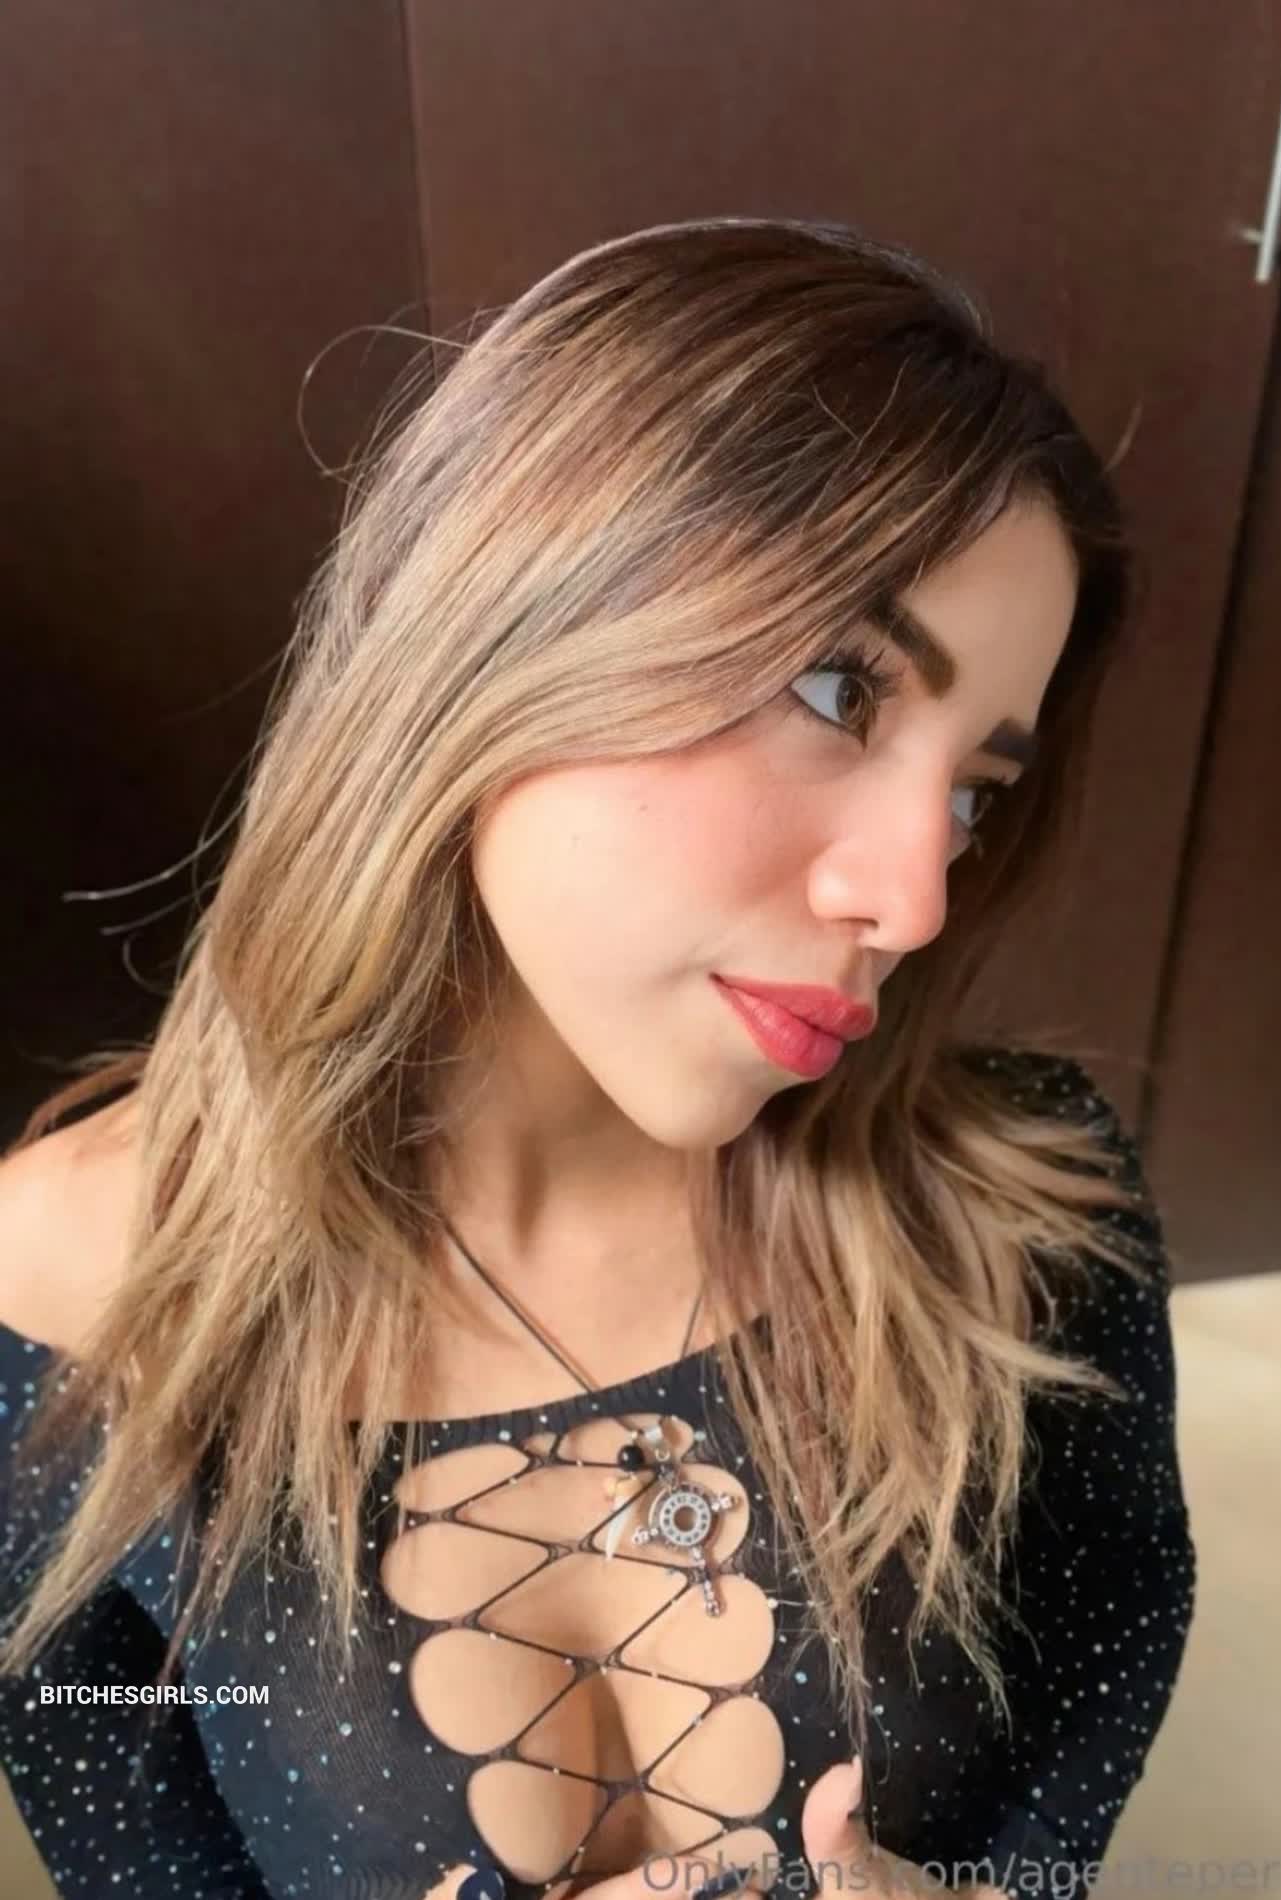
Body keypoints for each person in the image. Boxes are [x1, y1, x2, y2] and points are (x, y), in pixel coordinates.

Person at [0, 217, 1196, 1900]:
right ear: (500, 629)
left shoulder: (1026, 1212)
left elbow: (1116, 1637)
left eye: (975, 794)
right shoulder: (55, 1293)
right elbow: (120, 1818)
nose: (915, 899)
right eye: (837, 689)